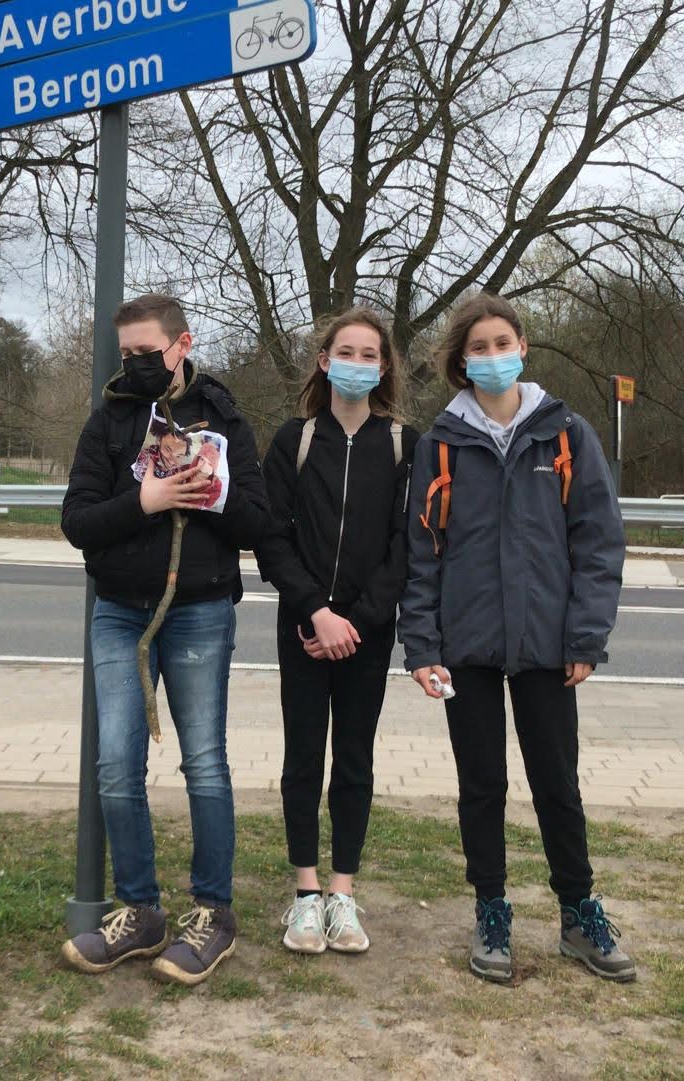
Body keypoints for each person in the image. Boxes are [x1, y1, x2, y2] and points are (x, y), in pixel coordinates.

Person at [398, 292, 635, 985]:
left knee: (557, 781)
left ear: (523, 347)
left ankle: (578, 912)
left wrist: (586, 636)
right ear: (461, 359)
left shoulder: (566, 434)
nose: (493, 355)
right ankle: (492, 910)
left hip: (547, 643)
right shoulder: (441, 443)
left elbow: (598, 541)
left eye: (503, 343)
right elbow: (421, 554)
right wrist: (422, 646)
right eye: (479, 347)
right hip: (466, 643)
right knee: (482, 784)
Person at [58, 293, 272, 986]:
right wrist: (144, 502)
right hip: (120, 613)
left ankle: (213, 912)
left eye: (148, 352)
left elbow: (258, 522)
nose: (136, 365)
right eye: (126, 355)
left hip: (200, 610)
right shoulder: (111, 420)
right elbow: (77, 522)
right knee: (116, 765)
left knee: (204, 762)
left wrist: (214, 494)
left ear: (183, 344)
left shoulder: (225, 416)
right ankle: (141, 911)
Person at [255, 308, 417, 956]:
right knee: (302, 757)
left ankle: (343, 894)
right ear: (324, 361)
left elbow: (407, 546)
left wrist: (359, 619)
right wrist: (316, 612)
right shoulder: (292, 440)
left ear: (384, 366)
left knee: (354, 759)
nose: (356, 363)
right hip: (303, 628)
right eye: (344, 352)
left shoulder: (405, 444)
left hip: (367, 635)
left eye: (368, 354)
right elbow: (271, 538)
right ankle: (305, 893)